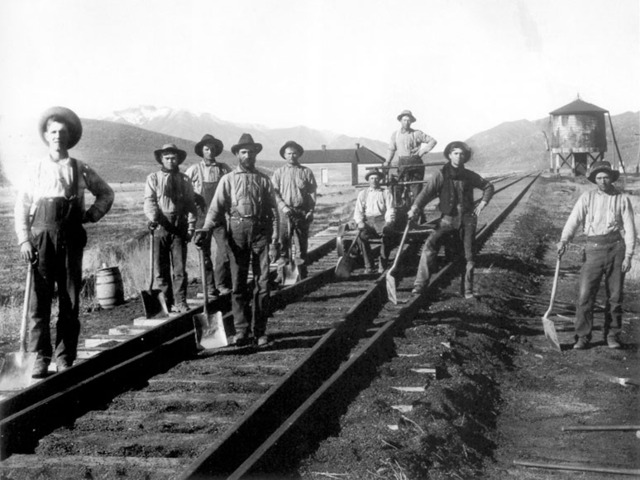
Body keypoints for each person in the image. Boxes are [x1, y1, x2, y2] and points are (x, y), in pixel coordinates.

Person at [14, 106, 114, 378]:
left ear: (69, 137)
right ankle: (39, 358)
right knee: (39, 302)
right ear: (46, 136)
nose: (58, 136)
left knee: (70, 301)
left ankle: (64, 357)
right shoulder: (35, 169)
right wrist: (24, 240)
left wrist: (92, 215)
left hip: (71, 238)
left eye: (62, 132)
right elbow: (22, 207)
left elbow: (106, 193)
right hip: (42, 238)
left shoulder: (80, 168)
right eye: (53, 132)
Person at [195, 134, 279, 347]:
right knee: (238, 284)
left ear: (256, 154)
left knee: (262, 284)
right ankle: (242, 330)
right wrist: (205, 229)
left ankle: (260, 331)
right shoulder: (228, 179)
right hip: (237, 233)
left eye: (251, 151)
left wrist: (276, 239)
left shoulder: (264, 180)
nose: (248, 155)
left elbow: (274, 212)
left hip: (260, 233)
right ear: (237, 154)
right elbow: (215, 208)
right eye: (243, 152)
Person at [557, 161, 636, 350]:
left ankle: (612, 335)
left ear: (611, 178)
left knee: (615, 297)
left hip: (616, 249)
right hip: (593, 249)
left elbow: (630, 228)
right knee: (585, 295)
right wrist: (564, 240)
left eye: (606, 177)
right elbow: (574, 219)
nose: (602, 181)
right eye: (599, 178)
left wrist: (628, 255)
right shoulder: (587, 197)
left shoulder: (622, 199)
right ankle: (583, 337)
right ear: (594, 180)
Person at [407, 141, 494, 298]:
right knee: (430, 245)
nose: (459, 157)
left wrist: (483, 203)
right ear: (449, 155)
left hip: (467, 220)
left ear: (465, 157)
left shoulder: (469, 175)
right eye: (456, 153)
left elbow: (488, 186)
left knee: (469, 255)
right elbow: (426, 193)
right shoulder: (440, 175)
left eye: (462, 154)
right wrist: (415, 208)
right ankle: (419, 285)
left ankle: (467, 291)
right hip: (447, 220)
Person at [144, 143, 198, 313]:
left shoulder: (185, 180)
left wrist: (190, 227)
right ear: (161, 159)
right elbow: (149, 200)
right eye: (167, 158)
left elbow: (191, 204)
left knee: (179, 269)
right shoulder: (153, 178)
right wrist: (153, 217)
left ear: (178, 160)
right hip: (161, 225)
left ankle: (180, 302)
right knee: (161, 269)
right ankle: (166, 303)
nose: (170, 161)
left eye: (173, 158)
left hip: (180, 226)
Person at [185, 134, 233, 298]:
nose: (210, 152)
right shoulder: (194, 170)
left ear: (217, 151)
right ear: (202, 151)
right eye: (207, 149)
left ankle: (222, 283)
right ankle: (210, 287)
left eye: (213, 149)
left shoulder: (224, 169)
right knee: (204, 254)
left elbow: (232, 188)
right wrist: (192, 198)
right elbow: (184, 189)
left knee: (224, 251)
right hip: (201, 217)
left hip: (219, 217)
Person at [271, 140, 317, 282]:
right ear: (284, 155)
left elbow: (312, 193)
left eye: (294, 153)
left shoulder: (306, 172)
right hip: (284, 214)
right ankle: (282, 273)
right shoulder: (278, 173)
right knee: (283, 243)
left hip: (301, 213)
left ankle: (301, 273)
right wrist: (283, 207)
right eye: (289, 153)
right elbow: (274, 193)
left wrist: (311, 210)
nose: (292, 156)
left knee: (301, 245)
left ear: (299, 155)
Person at [384, 109, 437, 206]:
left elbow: (432, 141)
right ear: (400, 121)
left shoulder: (417, 133)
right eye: (404, 120)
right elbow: (391, 149)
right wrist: (387, 161)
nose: (406, 122)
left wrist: (422, 152)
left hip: (416, 162)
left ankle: (416, 210)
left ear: (411, 122)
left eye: (409, 120)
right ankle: (400, 210)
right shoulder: (395, 135)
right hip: (402, 162)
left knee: (416, 188)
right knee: (399, 186)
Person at [353, 169, 396, 273]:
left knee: (387, 235)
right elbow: (358, 210)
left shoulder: (386, 193)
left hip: (381, 221)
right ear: (368, 180)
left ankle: (382, 264)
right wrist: (360, 222)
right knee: (361, 237)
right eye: (371, 178)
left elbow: (390, 209)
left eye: (376, 178)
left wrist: (388, 222)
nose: (374, 180)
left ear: (380, 180)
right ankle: (369, 266)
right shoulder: (363, 194)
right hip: (368, 222)